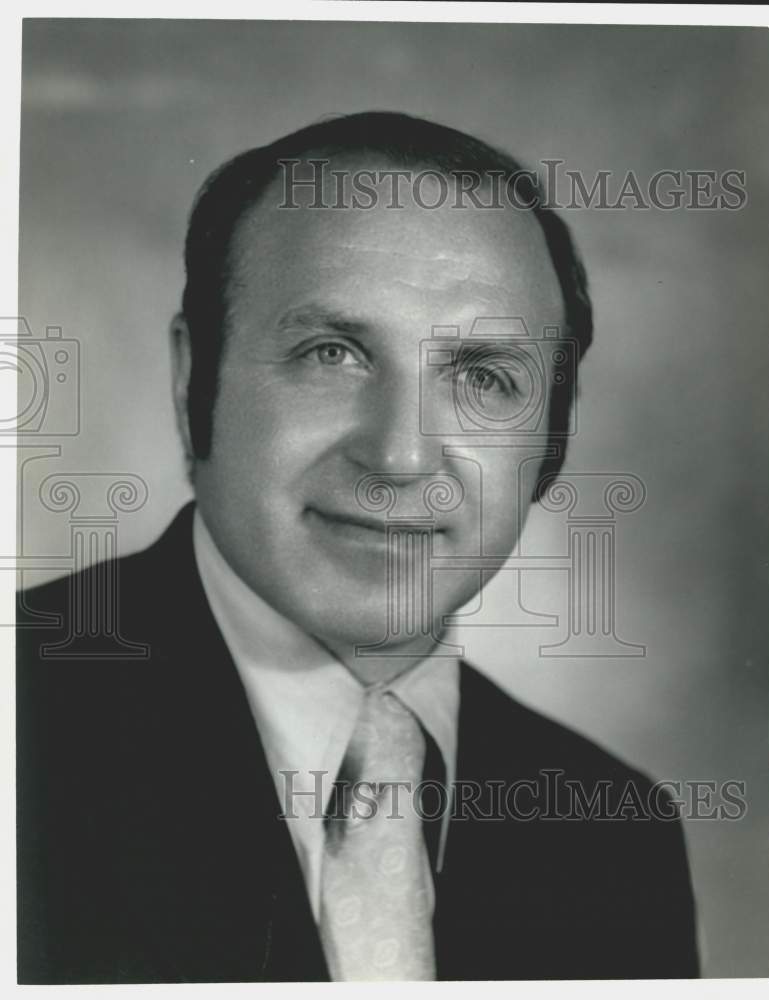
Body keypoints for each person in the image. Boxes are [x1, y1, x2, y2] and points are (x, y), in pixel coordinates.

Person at [16, 111, 700, 983]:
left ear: (548, 444)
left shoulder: (613, 835)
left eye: (482, 376)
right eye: (330, 353)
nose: (399, 456)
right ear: (196, 384)